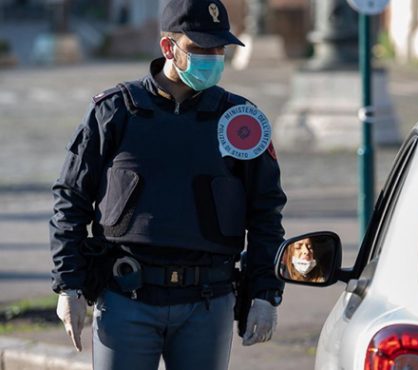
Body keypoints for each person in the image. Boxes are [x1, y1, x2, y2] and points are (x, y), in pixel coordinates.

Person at [48, 1, 287, 369]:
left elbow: (265, 212)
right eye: (200, 48)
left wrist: (265, 294)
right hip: (127, 296)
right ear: (167, 48)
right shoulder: (114, 112)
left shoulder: (242, 121)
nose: (212, 56)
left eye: (218, 48)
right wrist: (69, 285)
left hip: (208, 302)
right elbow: (71, 199)